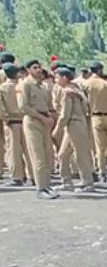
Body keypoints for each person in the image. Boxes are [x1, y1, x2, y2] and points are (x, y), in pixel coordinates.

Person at [18, 59, 58, 200]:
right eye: (35, 68)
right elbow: (24, 107)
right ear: (28, 70)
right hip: (33, 121)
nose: (39, 70)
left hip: (44, 121)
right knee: (38, 156)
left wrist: (51, 116)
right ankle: (40, 188)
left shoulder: (42, 86)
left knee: (48, 154)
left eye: (39, 67)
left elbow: (48, 105)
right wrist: (42, 118)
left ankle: (47, 185)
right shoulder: (25, 85)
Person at [53, 67, 95, 192]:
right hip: (75, 125)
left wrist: (57, 129)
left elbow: (65, 114)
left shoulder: (68, 92)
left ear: (65, 78)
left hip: (74, 124)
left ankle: (87, 182)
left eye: (57, 77)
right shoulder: (77, 89)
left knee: (80, 155)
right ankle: (66, 181)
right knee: (63, 155)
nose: (56, 80)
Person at [0, 63, 29, 186]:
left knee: (13, 150)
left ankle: (17, 177)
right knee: (28, 150)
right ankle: (32, 175)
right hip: (25, 120)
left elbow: (1, 108)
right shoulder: (22, 86)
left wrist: (4, 118)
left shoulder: (3, 88)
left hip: (11, 121)